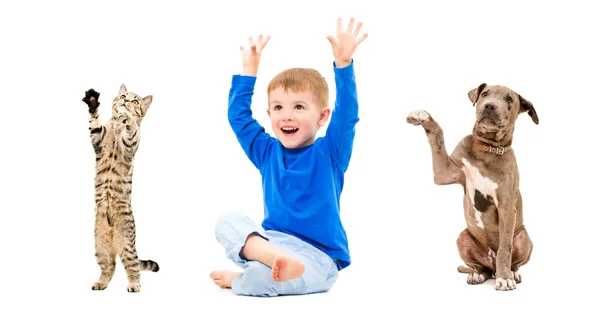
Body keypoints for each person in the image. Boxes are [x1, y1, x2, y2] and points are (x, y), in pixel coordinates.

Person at [210, 18, 368, 296]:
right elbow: (239, 118)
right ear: (269, 115)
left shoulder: (330, 151)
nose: (287, 115)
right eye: (278, 107)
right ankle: (266, 260)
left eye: (298, 107)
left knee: (258, 280)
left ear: (322, 117)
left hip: (317, 258)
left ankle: (243, 278)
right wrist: (249, 70)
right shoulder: (267, 152)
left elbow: (347, 116)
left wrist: (343, 64)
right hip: (273, 245)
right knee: (227, 220)